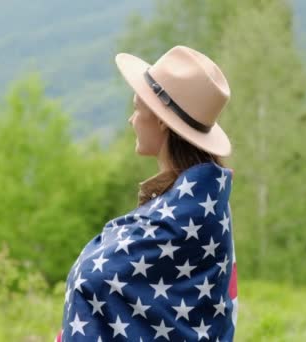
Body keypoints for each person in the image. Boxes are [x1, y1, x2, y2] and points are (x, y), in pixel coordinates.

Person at [57, 45, 238, 341]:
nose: (132, 120)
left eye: (137, 108)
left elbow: (92, 278)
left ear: (161, 120)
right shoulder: (205, 201)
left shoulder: (185, 215)